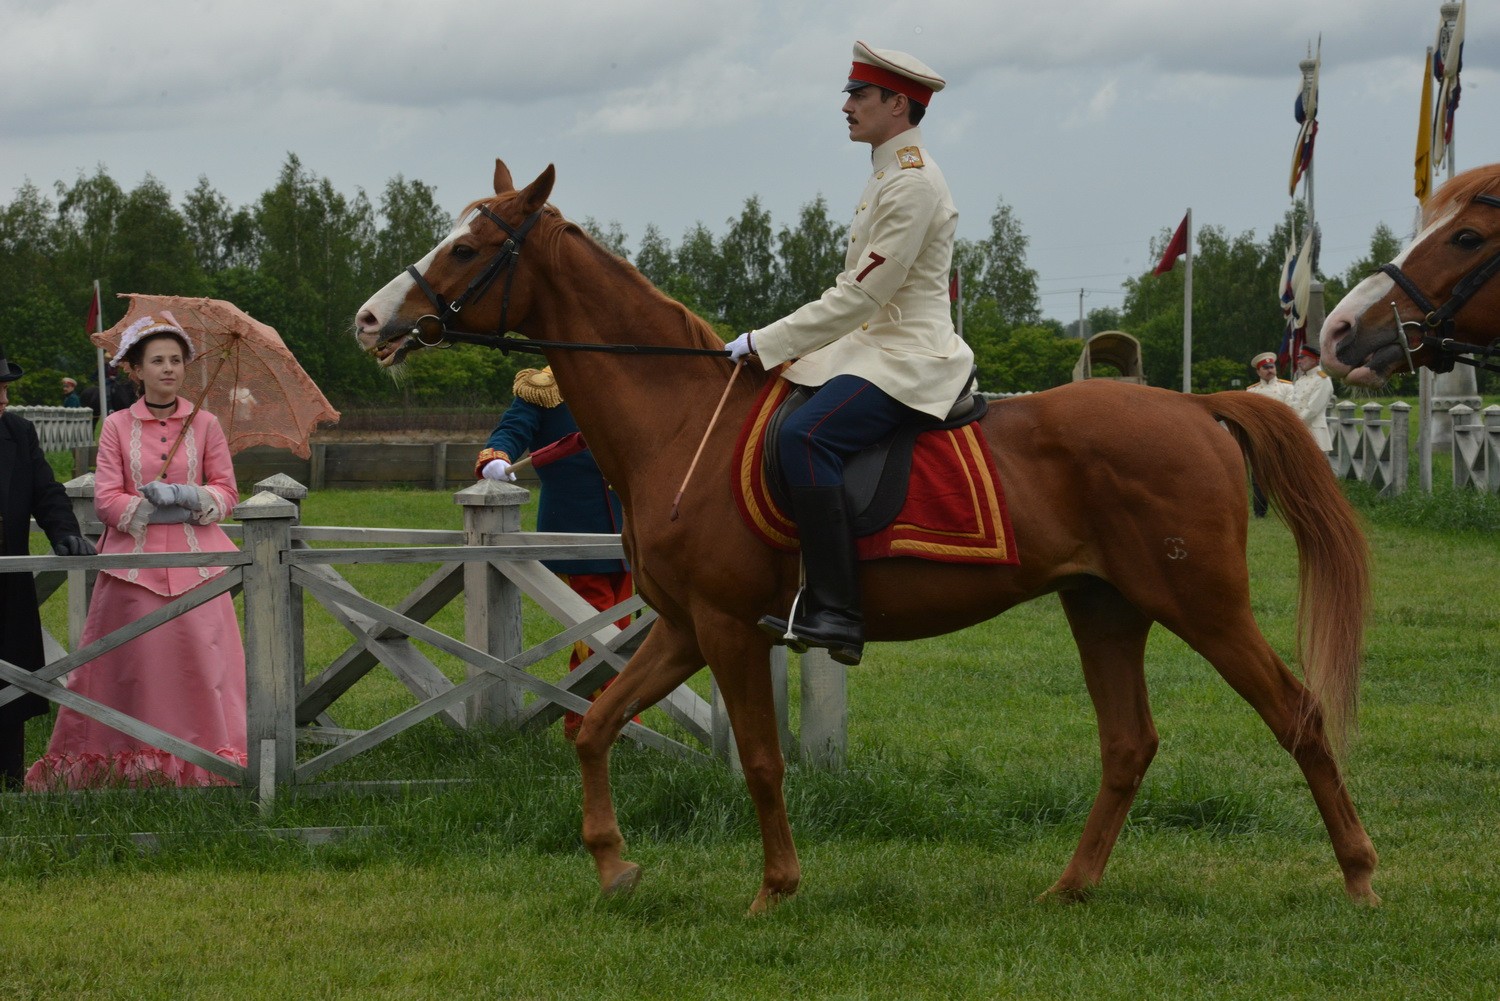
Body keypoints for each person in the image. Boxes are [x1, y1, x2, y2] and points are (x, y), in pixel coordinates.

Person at [722, 41, 973, 666]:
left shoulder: (912, 182)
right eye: (850, 93)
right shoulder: (887, 172)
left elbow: (862, 295)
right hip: (869, 348)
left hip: (907, 356)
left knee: (805, 437)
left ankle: (836, 609)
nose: (847, 106)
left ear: (896, 103)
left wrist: (765, 341)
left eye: (859, 94)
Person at [26, 314, 246, 789]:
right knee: (132, 669)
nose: (169, 369)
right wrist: (146, 505)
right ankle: (122, 763)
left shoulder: (206, 422)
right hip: (132, 570)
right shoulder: (115, 426)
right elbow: (105, 498)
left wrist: (189, 498)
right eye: (157, 361)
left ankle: (209, 765)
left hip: (199, 569)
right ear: (135, 370)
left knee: (203, 667)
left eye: (175, 361)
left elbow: (228, 492)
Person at [476, 367, 632, 740]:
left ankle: (580, 721)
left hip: (628, 530)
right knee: (597, 636)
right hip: (574, 528)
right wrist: (496, 458)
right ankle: (617, 727)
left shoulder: (623, 377)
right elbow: (512, 429)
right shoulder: (545, 387)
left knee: (623, 634)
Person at [0, 344, 96, 788]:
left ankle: (9, 781)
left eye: (4, 389)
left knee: (12, 687)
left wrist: (64, 532)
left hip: (9, 583)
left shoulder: (19, 432)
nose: (3, 399)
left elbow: (47, 491)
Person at [1246, 350, 1294, 517]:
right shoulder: (1251, 392)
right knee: (1259, 477)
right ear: (1258, 371)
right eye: (1265, 368)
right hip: (1260, 437)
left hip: (1281, 436)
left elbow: (1289, 412)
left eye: (1271, 367)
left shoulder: (1287, 387)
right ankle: (1260, 511)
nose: (1269, 370)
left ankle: (1290, 509)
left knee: (1286, 475)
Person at [1289, 344, 1334, 453]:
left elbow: (1313, 408)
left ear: (1314, 360)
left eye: (1302, 358)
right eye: (1298, 358)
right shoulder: (1301, 380)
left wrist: (1294, 424)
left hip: (1314, 432)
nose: (1299, 361)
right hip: (1298, 431)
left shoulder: (1322, 380)